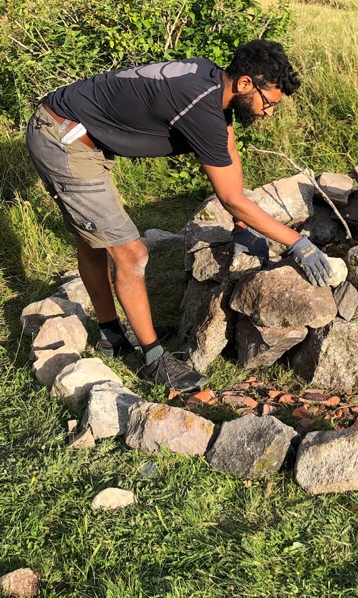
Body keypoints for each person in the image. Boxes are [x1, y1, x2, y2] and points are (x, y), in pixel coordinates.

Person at [26, 39, 332, 392]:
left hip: (77, 129)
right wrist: (298, 244)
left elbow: (228, 150)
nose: (269, 112)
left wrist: (243, 227)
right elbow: (230, 198)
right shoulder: (199, 105)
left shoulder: (214, 86)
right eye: (270, 103)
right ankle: (155, 361)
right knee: (131, 254)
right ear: (246, 83)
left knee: (96, 239)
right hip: (63, 138)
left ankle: (111, 336)